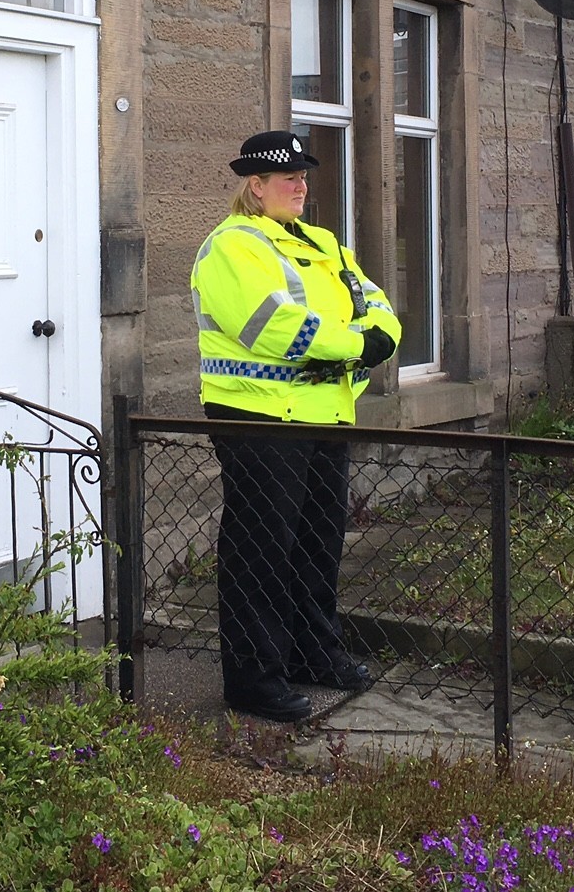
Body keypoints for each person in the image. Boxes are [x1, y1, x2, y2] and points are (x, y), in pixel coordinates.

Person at [190, 130, 401, 722]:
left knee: (318, 541)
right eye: (289, 178)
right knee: (261, 549)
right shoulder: (231, 245)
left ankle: (313, 653)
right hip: (258, 417)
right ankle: (255, 680)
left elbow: (376, 303)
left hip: (325, 412)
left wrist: (377, 335)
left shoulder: (325, 242)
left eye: (305, 176)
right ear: (254, 187)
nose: (302, 185)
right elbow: (275, 328)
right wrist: (361, 344)